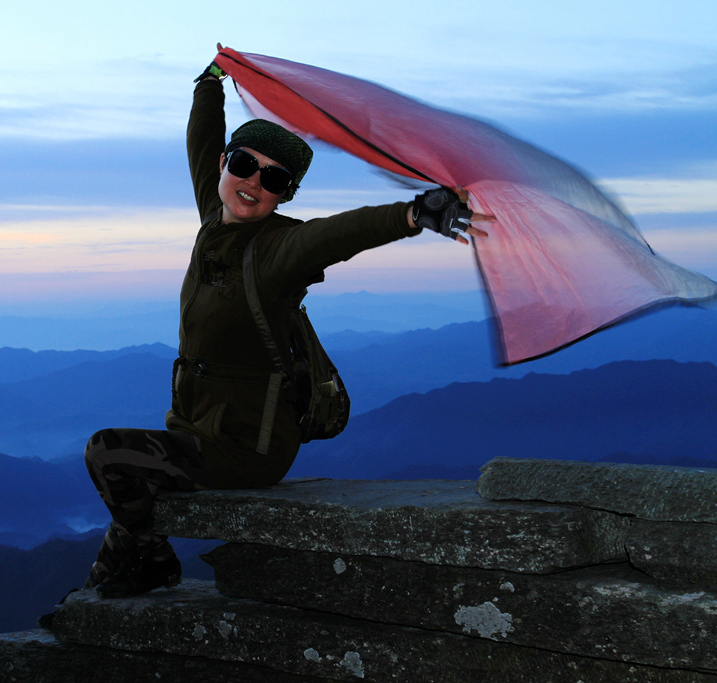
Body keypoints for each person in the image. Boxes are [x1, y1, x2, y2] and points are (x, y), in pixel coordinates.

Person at [77, 51, 492, 601]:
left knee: (107, 452)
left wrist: (413, 214)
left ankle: (149, 562)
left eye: (273, 179)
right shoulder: (214, 218)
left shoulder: (276, 250)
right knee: (122, 521)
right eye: (244, 166)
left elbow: (335, 235)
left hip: (246, 444)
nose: (254, 183)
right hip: (196, 426)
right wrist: (211, 83)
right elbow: (201, 143)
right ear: (226, 166)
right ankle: (114, 579)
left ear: (285, 194)